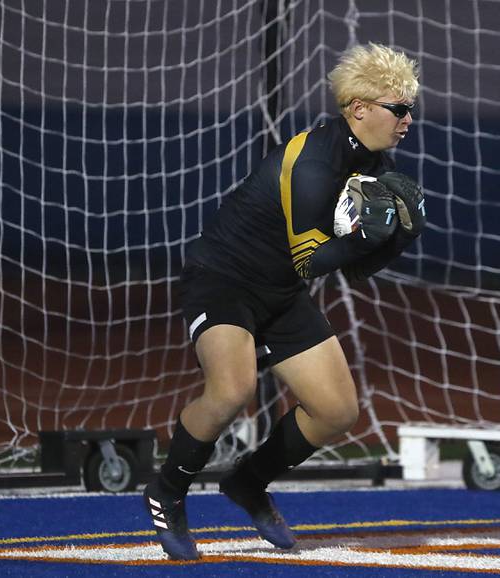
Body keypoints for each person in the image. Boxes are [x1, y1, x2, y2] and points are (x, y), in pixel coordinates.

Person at [144, 42, 426, 560]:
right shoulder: (316, 161)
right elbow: (312, 262)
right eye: (399, 108)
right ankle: (167, 490)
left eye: (411, 109)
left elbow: (356, 269)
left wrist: (398, 239)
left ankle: (248, 482)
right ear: (359, 108)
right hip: (224, 280)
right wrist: (370, 237)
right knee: (232, 390)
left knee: (337, 411)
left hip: (279, 292)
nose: (408, 120)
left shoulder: (371, 161)